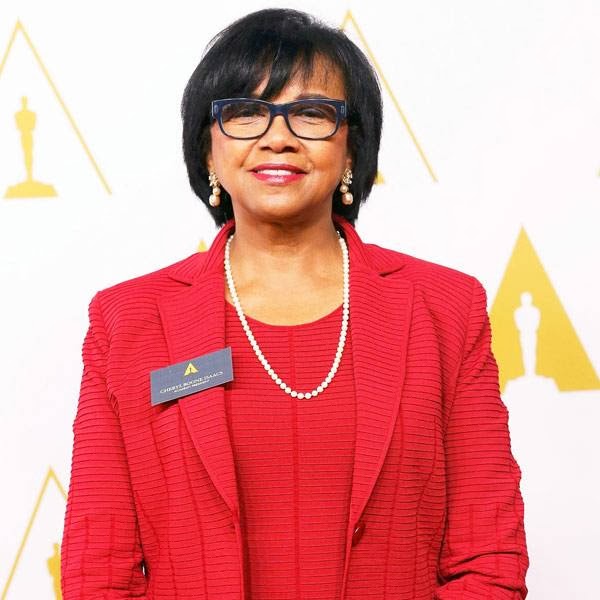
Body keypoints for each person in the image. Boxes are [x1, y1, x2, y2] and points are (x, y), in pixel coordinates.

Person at [61, 7, 529, 599]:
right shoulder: (130, 320)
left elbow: (488, 561)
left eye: (311, 113)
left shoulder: (444, 308)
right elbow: (98, 571)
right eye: (245, 113)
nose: (276, 136)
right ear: (207, 152)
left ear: (352, 150)